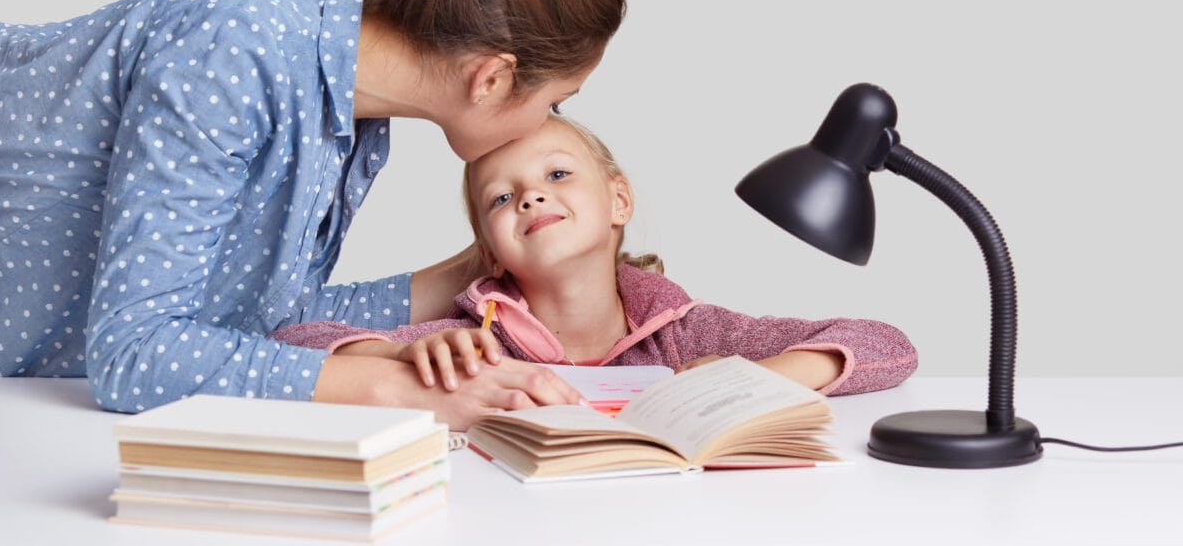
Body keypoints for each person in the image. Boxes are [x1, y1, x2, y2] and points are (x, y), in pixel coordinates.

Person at [0, 0, 623, 423]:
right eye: (556, 99)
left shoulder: (351, 124)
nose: (550, 121)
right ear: (492, 79)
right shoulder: (234, 42)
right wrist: (400, 392)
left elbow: (249, 321)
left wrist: (472, 273)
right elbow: (135, 355)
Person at [272, 116, 919, 427]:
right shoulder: (473, 348)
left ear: (619, 201)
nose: (530, 196)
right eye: (501, 197)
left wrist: (760, 376)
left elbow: (890, 347)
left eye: (557, 174)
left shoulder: (689, 333)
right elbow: (283, 342)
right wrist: (398, 357)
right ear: (490, 251)